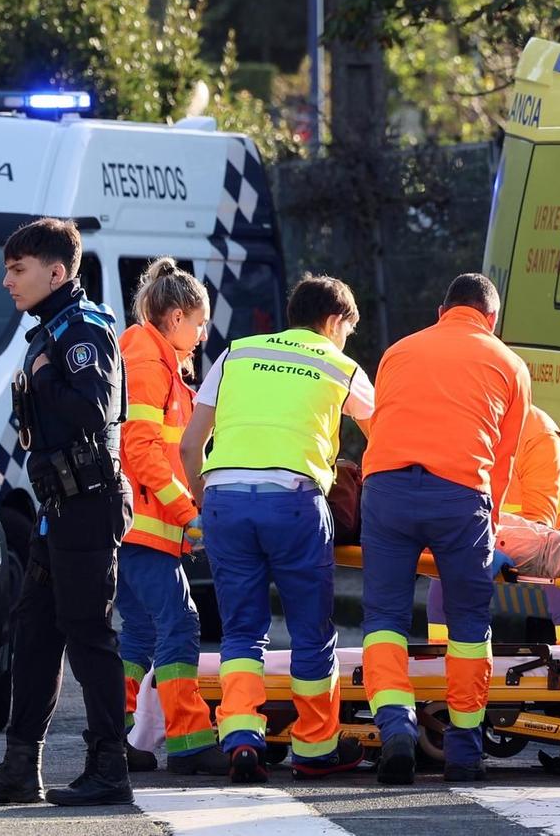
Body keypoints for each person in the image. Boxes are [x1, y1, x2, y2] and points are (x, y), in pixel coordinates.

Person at [0, 218, 133, 809]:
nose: (6, 280)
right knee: (33, 633)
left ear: (56, 273)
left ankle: (109, 766)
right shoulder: (50, 329)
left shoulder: (82, 330)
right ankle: (18, 766)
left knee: (88, 635)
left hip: (88, 505)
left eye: (18, 269)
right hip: (57, 508)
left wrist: (44, 377)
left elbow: (92, 410)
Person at [177, 274, 372, 784]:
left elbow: (189, 444)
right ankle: (315, 747)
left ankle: (241, 739)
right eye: (347, 330)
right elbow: (387, 440)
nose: (345, 339)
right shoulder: (340, 365)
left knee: (241, 630)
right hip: (293, 501)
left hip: (223, 499)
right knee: (311, 631)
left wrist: (205, 503)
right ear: (334, 321)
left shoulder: (235, 354)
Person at [359, 273, 530, 784]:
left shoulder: (397, 351)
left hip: (386, 489)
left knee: (384, 618)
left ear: (441, 310)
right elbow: (504, 460)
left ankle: (395, 726)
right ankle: (463, 748)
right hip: (459, 496)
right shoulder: (509, 363)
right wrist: (491, 523)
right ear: (491, 319)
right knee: (469, 625)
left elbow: (382, 418)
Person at [111, 259, 225, 776]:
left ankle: (113, 736)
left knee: (138, 633)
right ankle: (189, 740)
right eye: (200, 323)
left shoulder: (150, 360)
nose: (203, 334)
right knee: (180, 624)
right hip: (146, 526)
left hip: (136, 525)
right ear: (176, 317)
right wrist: (187, 510)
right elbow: (140, 447)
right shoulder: (147, 363)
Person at [428, 406, 560, 646]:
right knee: (443, 592)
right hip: (487, 519)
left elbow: (539, 532)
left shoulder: (538, 438)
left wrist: (498, 550)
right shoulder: (455, 432)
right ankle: (437, 667)